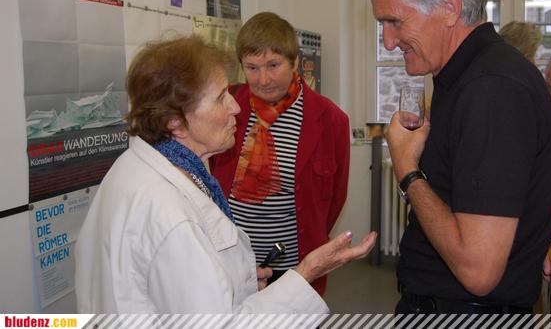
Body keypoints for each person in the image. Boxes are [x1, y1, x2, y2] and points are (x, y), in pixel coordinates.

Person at [74, 35, 376, 313]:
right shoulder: (172, 217)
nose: (236, 107)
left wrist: (234, 282)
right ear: (174, 121)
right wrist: (306, 272)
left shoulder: (141, 167)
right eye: (221, 97)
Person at [360, 0, 551, 313]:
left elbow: (478, 271)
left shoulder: (491, 88)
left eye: (395, 22)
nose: (387, 41)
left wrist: (407, 170)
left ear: (450, 7)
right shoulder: (467, 75)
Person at [209, 12, 350, 296]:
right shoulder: (226, 106)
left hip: (295, 269)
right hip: (230, 264)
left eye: (273, 65)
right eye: (252, 68)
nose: (263, 79)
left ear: (294, 62)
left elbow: (334, 199)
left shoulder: (330, 120)